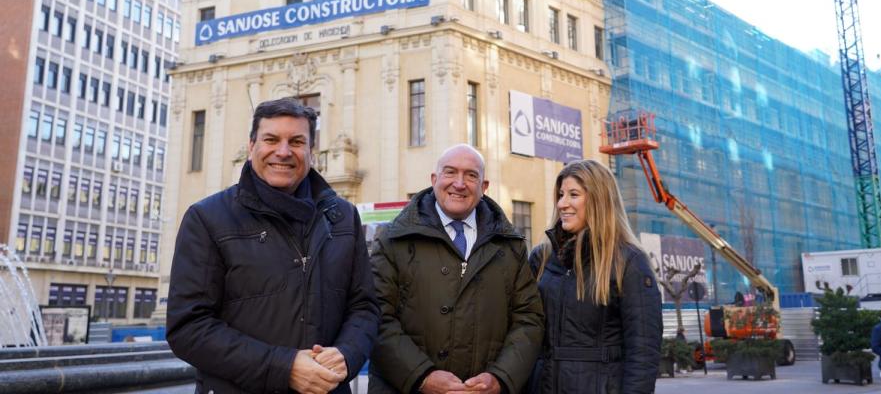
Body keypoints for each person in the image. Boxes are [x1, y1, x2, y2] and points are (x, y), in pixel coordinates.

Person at [167, 98, 379, 394]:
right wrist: (284, 367)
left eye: (296, 141)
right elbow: (188, 328)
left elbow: (364, 307)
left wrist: (347, 353)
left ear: (311, 151)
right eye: (271, 139)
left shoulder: (343, 217)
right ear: (252, 145)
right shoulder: (207, 218)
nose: (283, 151)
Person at [368, 144, 544, 394]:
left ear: (484, 187)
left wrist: (501, 377)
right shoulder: (394, 240)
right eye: (450, 172)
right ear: (434, 179)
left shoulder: (509, 246)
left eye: (471, 175)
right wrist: (422, 376)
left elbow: (529, 319)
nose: (459, 184)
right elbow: (376, 316)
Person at [528, 159, 662, 393]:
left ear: (599, 199)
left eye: (573, 194)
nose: (562, 203)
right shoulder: (541, 258)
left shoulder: (629, 262)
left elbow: (643, 353)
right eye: (561, 194)